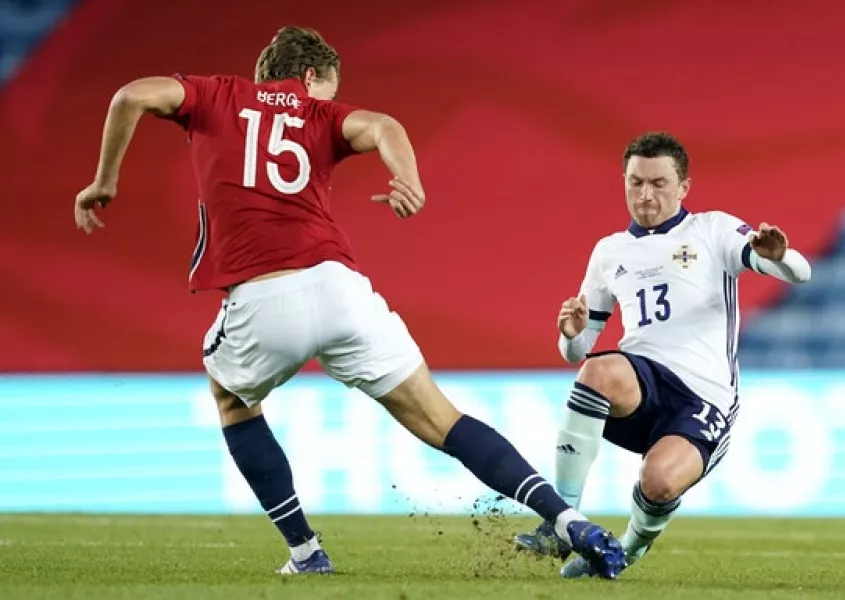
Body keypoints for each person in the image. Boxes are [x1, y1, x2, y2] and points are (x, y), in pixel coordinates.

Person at [73, 26, 625, 579]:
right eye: (331, 89)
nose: (332, 100)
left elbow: (131, 95)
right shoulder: (321, 116)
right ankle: (567, 519)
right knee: (441, 417)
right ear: (310, 77)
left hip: (264, 295)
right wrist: (408, 178)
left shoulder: (214, 94)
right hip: (341, 288)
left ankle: (306, 551)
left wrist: (104, 181)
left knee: (231, 399)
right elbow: (384, 125)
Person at [513, 131, 812, 577]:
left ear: (684, 187)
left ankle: (627, 550)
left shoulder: (713, 230)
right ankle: (561, 520)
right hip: (644, 380)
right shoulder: (609, 251)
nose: (646, 194)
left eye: (658, 183)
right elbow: (576, 352)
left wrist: (780, 256)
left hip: (704, 397)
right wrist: (570, 332)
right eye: (636, 182)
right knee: (598, 371)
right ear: (624, 181)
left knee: (659, 483)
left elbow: (799, 273)